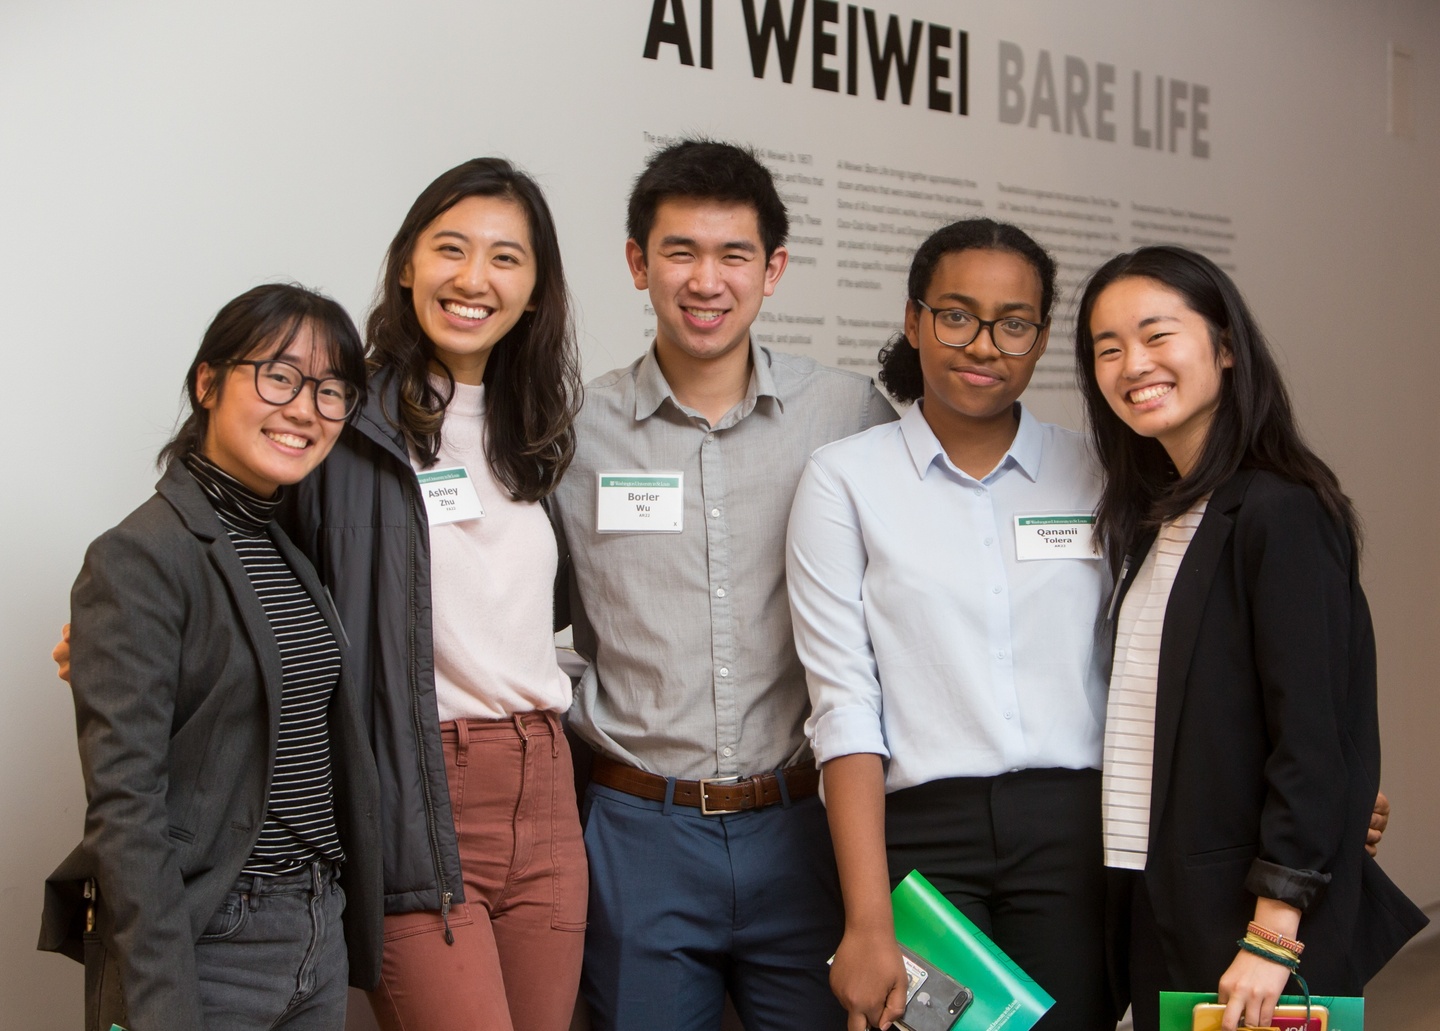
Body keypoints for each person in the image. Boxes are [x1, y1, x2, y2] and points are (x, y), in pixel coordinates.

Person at [548, 138, 896, 1031]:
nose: (707, 280)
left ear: (772, 269)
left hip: (802, 826)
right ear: (637, 263)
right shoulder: (569, 434)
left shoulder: (848, 416)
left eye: (734, 254)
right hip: (639, 830)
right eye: (680, 252)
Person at [1074, 245, 1428, 1031]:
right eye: (1108, 348)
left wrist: (1274, 933)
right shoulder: (1155, 514)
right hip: (1154, 893)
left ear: (1226, 347)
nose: (1134, 364)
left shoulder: (1282, 510)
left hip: (1243, 920)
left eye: (1157, 335)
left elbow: (1310, 736)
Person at [277, 158, 587, 1031]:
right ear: (407, 264)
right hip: (415, 788)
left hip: (547, 788)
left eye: (505, 258)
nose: (473, 279)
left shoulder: (541, 429)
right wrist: (143, 619)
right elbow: (235, 527)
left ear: (534, 290)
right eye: (450, 248)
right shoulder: (341, 419)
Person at [786, 218, 1114, 1031]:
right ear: (915, 320)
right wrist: (869, 920)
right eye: (957, 315)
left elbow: (1163, 662)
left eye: (1014, 323)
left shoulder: (1100, 472)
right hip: (921, 842)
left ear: (1040, 339)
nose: (984, 344)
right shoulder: (844, 479)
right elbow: (843, 702)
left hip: (1076, 832)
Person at [38, 284, 382, 1031]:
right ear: (207, 382)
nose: (304, 408)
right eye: (280, 375)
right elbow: (127, 808)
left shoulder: (282, 541)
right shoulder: (138, 555)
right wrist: (159, 999)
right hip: (211, 935)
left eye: (331, 390)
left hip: (315, 927)